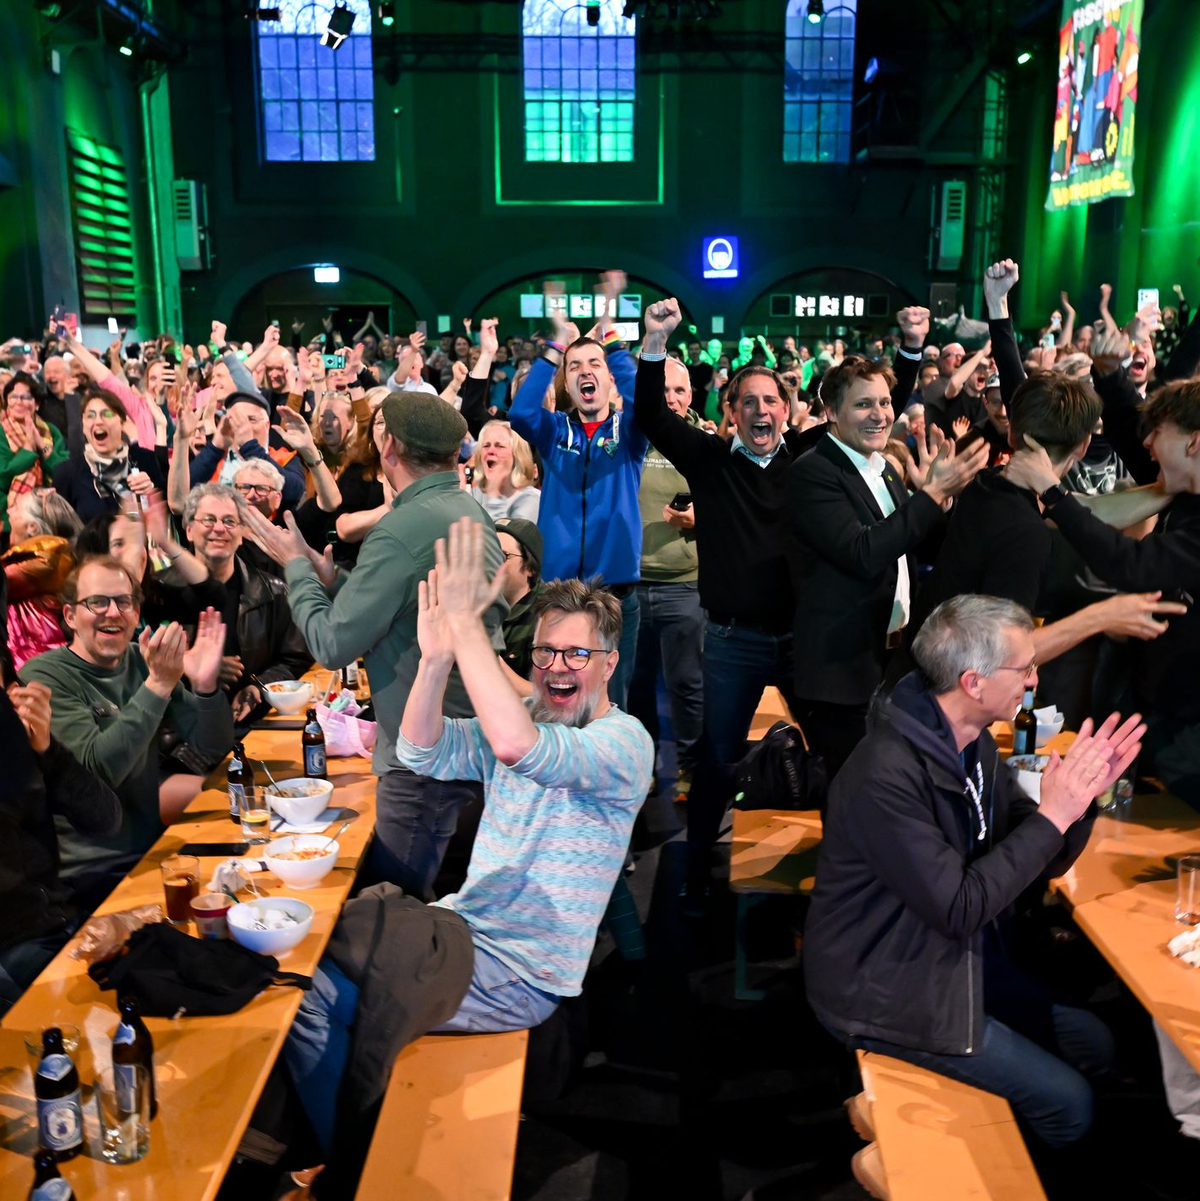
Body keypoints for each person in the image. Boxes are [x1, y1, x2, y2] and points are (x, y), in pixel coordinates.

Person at [283, 521, 653, 1160]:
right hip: (462, 931)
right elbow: (419, 750)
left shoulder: (624, 743)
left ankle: (347, 1159)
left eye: (576, 655)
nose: (556, 668)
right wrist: (434, 661)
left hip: (521, 973)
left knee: (306, 993)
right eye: (545, 653)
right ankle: (361, 1134)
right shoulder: (531, 715)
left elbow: (516, 748)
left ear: (610, 663)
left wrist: (465, 626)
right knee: (311, 957)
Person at [805, 594, 1142, 1151]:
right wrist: (1055, 815)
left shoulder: (972, 742)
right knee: (1069, 1104)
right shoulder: (885, 775)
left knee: (1094, 1043)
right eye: (1024, 668)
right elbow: (960, 907)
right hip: (885, 987)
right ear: (973, 683)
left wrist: (1080, 802)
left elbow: (1034, 852)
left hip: (948, 959)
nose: (1034, 679)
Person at [244, 391, 505, 900]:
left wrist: (295, 566)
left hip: (423, 761)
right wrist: (332, 579)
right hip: (465, 743)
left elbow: (331, 644)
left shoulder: (401, 528)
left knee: (395, 911)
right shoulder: (466, 511)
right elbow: (409, 605)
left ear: (389, 448)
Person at [787, 356, 988, 778]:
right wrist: (930, 495)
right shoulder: (813, 472)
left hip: (892, 660)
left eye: (884, 402)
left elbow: (917, 546)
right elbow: (863, 553)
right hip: (841, 669)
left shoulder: (885, 471)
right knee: (851, 789)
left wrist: (944, 501)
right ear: (831, 412)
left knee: (888, 785)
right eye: (864, 404)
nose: (879, 415)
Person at [1005, 379, 1200, 808]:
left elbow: (1132, 564)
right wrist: (1110, 376)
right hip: (1157, 704)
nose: (1146, 443)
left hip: (1188, 729)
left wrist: (1054, 493)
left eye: (1157, 432)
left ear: (1193, 443)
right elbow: (1129, 430)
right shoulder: (1182, 492)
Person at [22, 557, 231, 911]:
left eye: (124, 601)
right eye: (97, 602)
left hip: (153, 852)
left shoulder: (141, 659)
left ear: (136, 614)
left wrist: (205, 685)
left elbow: (213, 747)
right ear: (70, 616)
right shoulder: (44, 676)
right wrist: (158, 685)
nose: (113, 612)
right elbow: (96, 775)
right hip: (90, 874)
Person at [509, 273, 646, 708]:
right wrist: (556, 346)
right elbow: (521, 412)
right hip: (558, 593)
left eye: (595, 365)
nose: (585, 371)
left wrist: (611, 339)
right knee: (556, 699)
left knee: (611, 701)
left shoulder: (630, 433)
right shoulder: (554, 431)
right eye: (575, 367)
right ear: (566, 385)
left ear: (610, 379)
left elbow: (647, 403)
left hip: (615, 596)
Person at [0, 580, 122, 1013]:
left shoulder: (19, 701)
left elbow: (105, 819)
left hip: (59, 917)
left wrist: (47, 750)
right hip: (17, 944)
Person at [627, 355, 705, 804]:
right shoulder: (630, 437)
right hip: (631, 584)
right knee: (635, 688)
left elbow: (732, 506)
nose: (671, 399)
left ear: (691, 395)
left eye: (679, 390)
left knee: (687, 685)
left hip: (685, 584)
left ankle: (692, 767)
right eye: (663, 391)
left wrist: (700, 519)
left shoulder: (705, 442)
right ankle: (645, 768)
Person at [182, 483, 311, 723]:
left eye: (229, 521)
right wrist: (190, 669)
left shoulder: (275, 592)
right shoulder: (161, 593)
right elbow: (138, 663)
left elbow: (295, 659)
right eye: (208, 520)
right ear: (189, 530)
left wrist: (258, 687)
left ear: (241, 534)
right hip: (183, 729)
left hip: (253, 726)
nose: (219, 528)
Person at [51, 389, 163, 524]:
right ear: (83, 426)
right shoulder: (68, 473)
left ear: (122, 422)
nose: (98, 421)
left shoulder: (145, 459)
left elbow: (172, 508)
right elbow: (60, 527)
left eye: (107, 414)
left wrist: (151, 492)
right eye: (90, 416)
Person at [1, 374, 69, 536]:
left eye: (26, 397)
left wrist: (40, 443)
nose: (18, 401)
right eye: (13, 397)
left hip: (48, 514)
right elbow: (3, 475)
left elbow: (65, 473)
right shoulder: (1, 430)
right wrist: (28, 449)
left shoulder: (50, 431)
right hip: (8, 518)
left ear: (36, 404)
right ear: (7, 402)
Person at [494, 516, 544, 688]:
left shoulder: (548, 615)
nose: (491, 564)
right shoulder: (475, 603)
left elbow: (548, 695)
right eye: (488, 554)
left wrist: (485, 657)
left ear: (529, 567)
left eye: (502, 556)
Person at [467, 420, 540, 522]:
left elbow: (504, 532)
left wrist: (494, 495)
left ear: (517, 456)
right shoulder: (477, 493)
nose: (490, 451)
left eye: (500, 446)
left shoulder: (531, 498)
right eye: (486, 445)